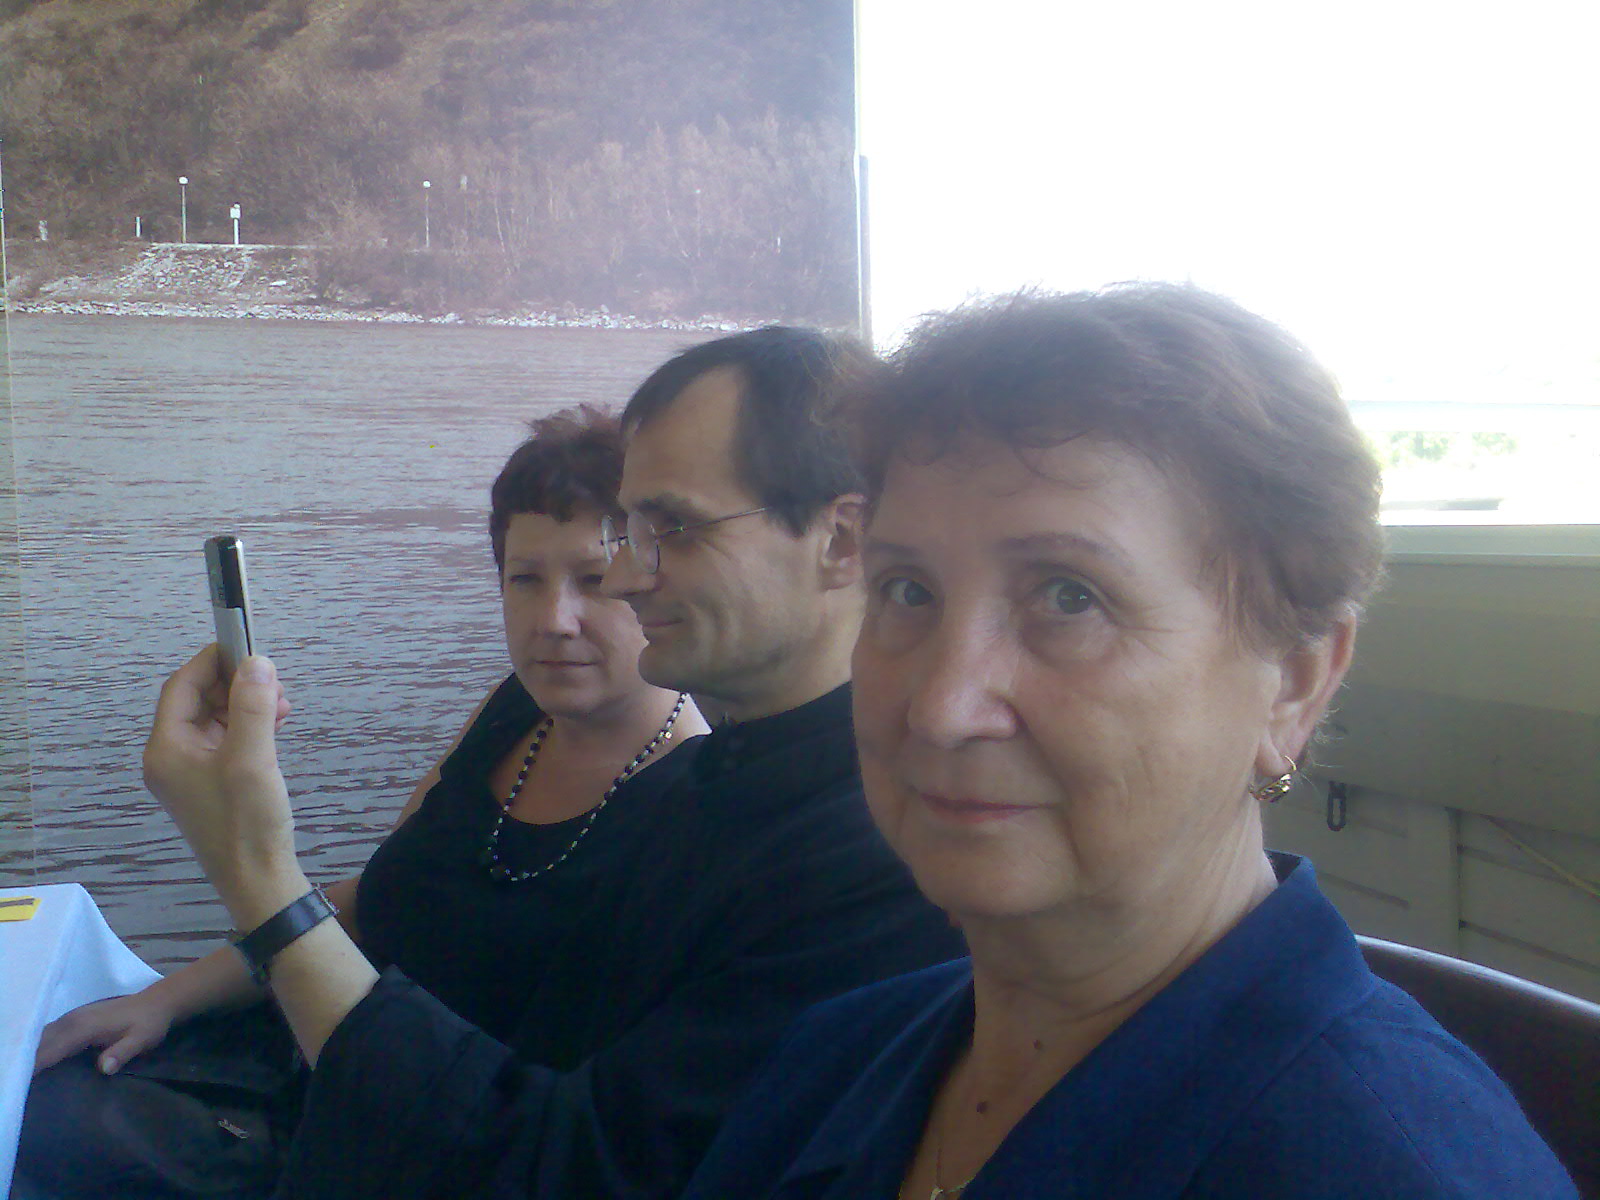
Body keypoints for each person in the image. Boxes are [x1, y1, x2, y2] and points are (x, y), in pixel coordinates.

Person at [678, 287, 1580, 1199]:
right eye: (907, 591)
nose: (944, 708)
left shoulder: (1388, 1170)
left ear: (1293, 683)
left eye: (1070, 597)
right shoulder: (834, 1059)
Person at [124, 328, 965, 1200]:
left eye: (670, 529)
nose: (628, 578)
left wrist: (255, 871)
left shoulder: (887, 857)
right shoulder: (708, 785)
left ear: (841, 541)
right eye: (630, 532)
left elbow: (557, 1168)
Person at [18, 405, 711, 1196]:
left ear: (655, 580)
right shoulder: (517, 713)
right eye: (525, 578)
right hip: (300, 1072)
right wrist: (165, 1000)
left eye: (593, 580)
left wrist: (246, 856)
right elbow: (378, 898)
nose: (555, 620)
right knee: (38, 1091)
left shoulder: (697, 803)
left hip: (422, 1152)